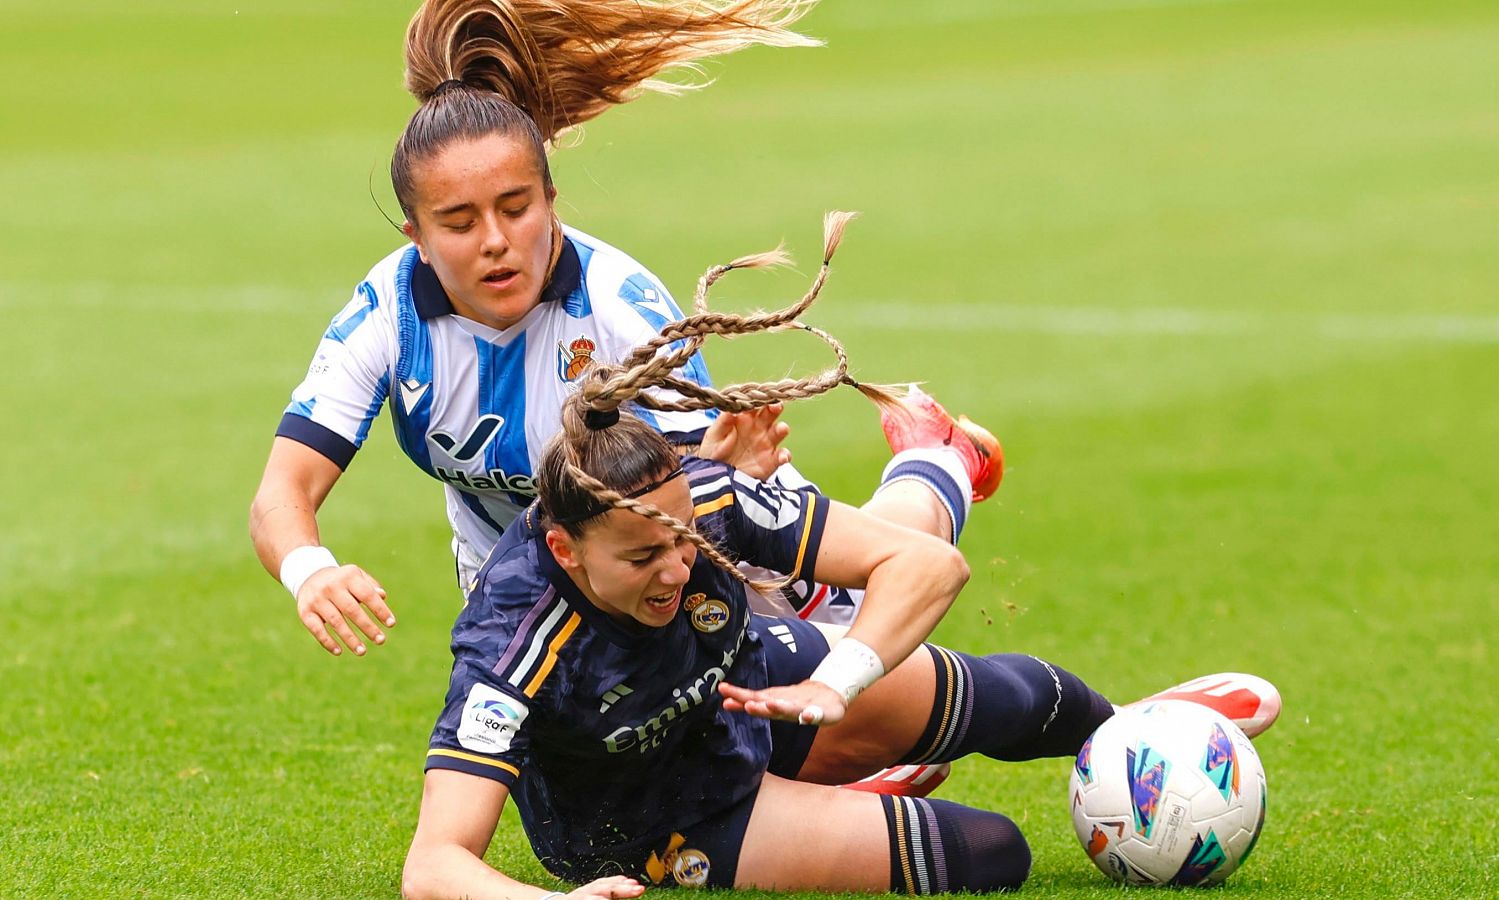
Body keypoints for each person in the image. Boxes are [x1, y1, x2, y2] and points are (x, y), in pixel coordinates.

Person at [400, 249, 1282, 897]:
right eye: (642, 557)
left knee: (1021, 699)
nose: (677, 567)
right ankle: (842, 772)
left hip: (750, 689)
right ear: (565, 551)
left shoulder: (702, 497)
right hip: (660, 813)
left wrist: (838, 677)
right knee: (990, 854)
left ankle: (1141, 737)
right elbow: (434, 866)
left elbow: (929, 566)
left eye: (682, 541)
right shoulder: (509, 645)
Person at [247, 0, 1001, 662]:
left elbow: (698, 498)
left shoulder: (618, 306)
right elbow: (283, 491)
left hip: (700, 536)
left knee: (865, 643)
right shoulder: (387, 314)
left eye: (516, 208)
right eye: (458, 221)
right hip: (523, 580)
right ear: (416, 234)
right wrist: (312, 570)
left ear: (551, 197)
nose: (495, 240)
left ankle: (937, 462)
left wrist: (723, 459)